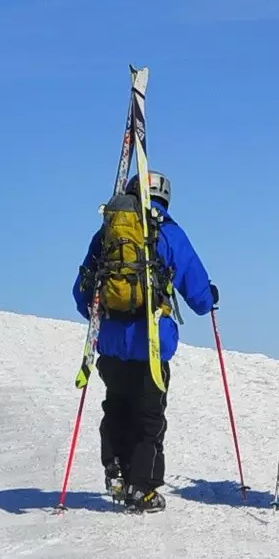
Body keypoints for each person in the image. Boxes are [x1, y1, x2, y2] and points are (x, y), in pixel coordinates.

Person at [72, 170, 216, 512]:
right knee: (149, 417)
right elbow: (198, 296)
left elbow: (81, 294)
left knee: (117, 405)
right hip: (151, 343)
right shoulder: (167, 233)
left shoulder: (105, 234)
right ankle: (143, 488)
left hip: (109, 345)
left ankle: (115, 468)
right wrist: (210, 297)